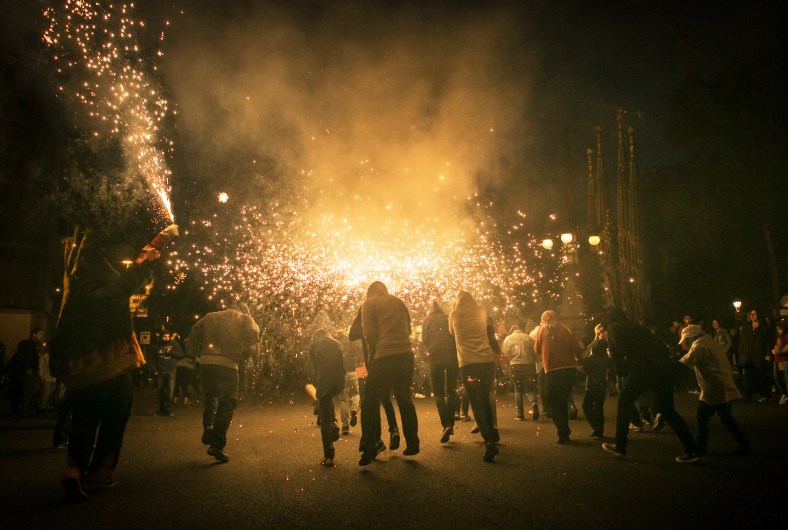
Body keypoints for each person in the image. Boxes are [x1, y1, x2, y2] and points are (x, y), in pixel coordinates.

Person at [51, 224, 179, 501]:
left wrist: (58, 366)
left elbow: (59, 331)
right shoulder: (111, 292)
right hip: (114, 368)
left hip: (81, 374)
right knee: (114, 421)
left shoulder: (74, 300)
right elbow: (137, 271)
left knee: (83, 421)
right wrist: (160, 240)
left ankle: (73, 469)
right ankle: (100, 474)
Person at [601, 308, 700, 463]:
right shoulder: (637, 327)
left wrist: (618, 365)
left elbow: (619, 356)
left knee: (624, 401)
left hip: (642, 368)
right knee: (667, 409)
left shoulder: (613, 329)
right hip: (662, 367)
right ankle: (692, 449)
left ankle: (620, 445)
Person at [188, 301, 260, 463]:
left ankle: (208, 426)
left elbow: (194, 330)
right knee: (227, 402)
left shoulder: (210, 316)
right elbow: (253, 336)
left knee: (211, 396)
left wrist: (194, 354)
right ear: (241, 309)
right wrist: (253, 356)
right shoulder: (244, 317)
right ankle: (217, 445)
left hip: (206, 362)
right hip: (228, 364)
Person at [358, 282, 419, 466]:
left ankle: (369, 445)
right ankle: (413, 443)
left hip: (384, 355)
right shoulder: (398, 301)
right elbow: (408, 328)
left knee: (369, 401)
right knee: (404, 398)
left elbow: (369, 333)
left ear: (370, 293)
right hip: (406, 355)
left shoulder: (368, 304)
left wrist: (372, 352)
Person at [678, 324, 752, 455]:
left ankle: (699, 448)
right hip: (722, 385)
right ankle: (745, 445)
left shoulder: (699, 346)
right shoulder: (708, 340)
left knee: (702, 418)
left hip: (714, 388)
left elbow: (684, 363)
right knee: (726, 418)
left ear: (691, 337)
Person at [449, 290, 499, 462]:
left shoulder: (454, 314)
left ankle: (489, 442)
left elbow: (451, 332)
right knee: (485, 398)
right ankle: (493, 432)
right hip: (487, 361)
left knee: (476, 403)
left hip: (469, 364)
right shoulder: (481, 311)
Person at [348, 307, 400, 455]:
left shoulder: (365, 319)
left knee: (370, 402)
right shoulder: (383, 317)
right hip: (388, 361)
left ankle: (375, 440)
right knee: (384, 397)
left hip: (374, 364)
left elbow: (352, 335)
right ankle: (393, 429)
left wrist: (359, 315)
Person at [533, 310, 582, 444]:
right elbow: (577, 347)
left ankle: (563, 430)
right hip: (569, 369)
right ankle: (564, 432)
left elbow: (536, 350)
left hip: (553, 370)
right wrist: (579, 360)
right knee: (562, 399)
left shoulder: (541, 331)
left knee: (551, 402)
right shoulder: (566, 329)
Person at [421, 300, 459, 443]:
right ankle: (451, 423)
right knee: (451, 390)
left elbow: (424, 340)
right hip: (451, 356)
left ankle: (446, 424)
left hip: (435, 357)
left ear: (430, 310)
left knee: (438, 393)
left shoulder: (426, 321)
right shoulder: (448, 317)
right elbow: (454, 335)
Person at [308, 329, 346, 466]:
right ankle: (334, 422)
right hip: (339, 380)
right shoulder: (337, 343)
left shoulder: (313, 346)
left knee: (324, 416)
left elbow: (315, 367)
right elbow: (341, 362)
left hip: (324, 380)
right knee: (330, 397)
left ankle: (329, 454)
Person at [502, 321, 539, 421]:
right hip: (528, 365)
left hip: (515, 365)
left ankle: (520, 414)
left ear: (511, 331)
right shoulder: (528, 337)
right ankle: (534, 403)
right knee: (530, 388)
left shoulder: (508, 339)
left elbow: (505, 353)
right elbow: (535, 350)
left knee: (518, 389)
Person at [739, 309, 775, 402]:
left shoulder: (765, 328)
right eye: (751, 314)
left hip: (760, 355)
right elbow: (743, 341)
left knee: (761, 377)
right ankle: (748, 395)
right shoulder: (746, 328)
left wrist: (768, 354)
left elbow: (769, 342)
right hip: (748, 356)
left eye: (755, 314)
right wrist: (743, 352)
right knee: (748, 377)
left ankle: (766, 395)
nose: (753, 315)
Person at [581, 323, 609, 438]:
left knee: (586, 406)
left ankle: (596, 426)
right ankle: (600, 428)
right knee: (599, 407)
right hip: (602, 385)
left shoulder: (591, 358)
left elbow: (584, 369)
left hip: (591, 385)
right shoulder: (605, 358)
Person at [15, 328, 44, 416]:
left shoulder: (36, 345)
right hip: (28, 370)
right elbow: (23, 356)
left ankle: (28, 408)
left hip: (33, 370)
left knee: (32, 390)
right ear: (34, 334)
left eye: (42, 334)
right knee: (29, 390)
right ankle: (25, 410)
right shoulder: (28, 344)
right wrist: (27, 368)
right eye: (40, 334)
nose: (42, 336)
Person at [152, 331, 182, 416]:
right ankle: (161, 409)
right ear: (161, 337)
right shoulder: (157, 345)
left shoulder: (173, 344)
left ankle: (168, 409)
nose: (166, 338)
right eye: (164, 336)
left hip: (171, 370)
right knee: (160, 391)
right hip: (160, 371)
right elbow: (153, 358)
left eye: (168, 336)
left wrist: (170, 352)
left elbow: (181, 354)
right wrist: (154, 370)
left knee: (170, 391)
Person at [769, 320, 788, 405]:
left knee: (786, 378)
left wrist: (778, 350)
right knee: (776, 377)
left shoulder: (786, 337)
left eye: (780, 329)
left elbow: (782, 350)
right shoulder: (778, 337)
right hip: (777, 360)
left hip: (785, 360)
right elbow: (777, 349)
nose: (778, 331)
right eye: (777, 329)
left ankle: (786, 395)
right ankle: (784, 393)